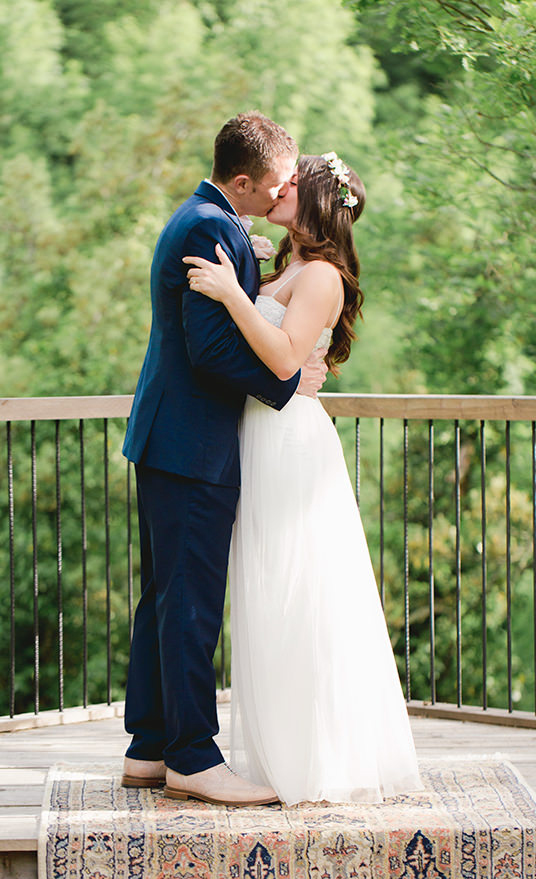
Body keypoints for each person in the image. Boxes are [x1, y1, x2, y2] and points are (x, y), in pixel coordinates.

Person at [183, 152, 422, 805]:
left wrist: (235, 292)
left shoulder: (322, 276)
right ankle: (274, 754)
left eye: (293, 184)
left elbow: (288, 357)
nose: (279, 188)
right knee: (265, 592)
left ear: (315, 199)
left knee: (299, 589)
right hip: (260, 434)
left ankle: (315, 760)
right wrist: (254, 279)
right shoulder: (290, 264)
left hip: (290, 443)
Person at [120, 112, 328, 807]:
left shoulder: (206, 216)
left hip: (172, 438)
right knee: (190, 605)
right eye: (274, 184)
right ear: (243, 181)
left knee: (165, 598)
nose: (282, 193)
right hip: (192, 442)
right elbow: (209, 349)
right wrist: (286, 383)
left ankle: (150, 747)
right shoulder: (209, 228)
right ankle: (192, 758)